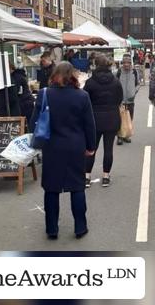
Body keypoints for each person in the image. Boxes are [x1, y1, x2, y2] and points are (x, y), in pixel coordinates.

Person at [30, 62, 96, 240]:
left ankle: (52, 229)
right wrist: (91, 147)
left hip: (52, 147)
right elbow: (89, 125)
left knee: (51, 188)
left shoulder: (44, 94)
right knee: (77, 186)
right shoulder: (82, 96)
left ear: (54, 75)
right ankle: (80, 227)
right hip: (75, 146)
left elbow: (34, 123)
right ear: (73, 75)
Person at [84, 54, 123, 188]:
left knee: (91, 149)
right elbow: (119, 99)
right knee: (108, 149)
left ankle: (87, 176)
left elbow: (85, 101)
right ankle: (106, 176)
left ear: (95, 65)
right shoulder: (115, 81)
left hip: (94, 119)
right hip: (112, 118)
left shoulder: (90, 82)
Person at [116, 54, 139, 145]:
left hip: (130, 100)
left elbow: (138, 84)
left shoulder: (134, 72)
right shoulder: (118, 72)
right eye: (124, 62)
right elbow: (115, 84)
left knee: (129, 118)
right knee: (120, 119)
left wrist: (134, 92)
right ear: (122, 63)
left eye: (128, 63)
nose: (126, 64)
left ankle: (126, 136)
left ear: (130, 63)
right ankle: (119, 137)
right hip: (120, 100)